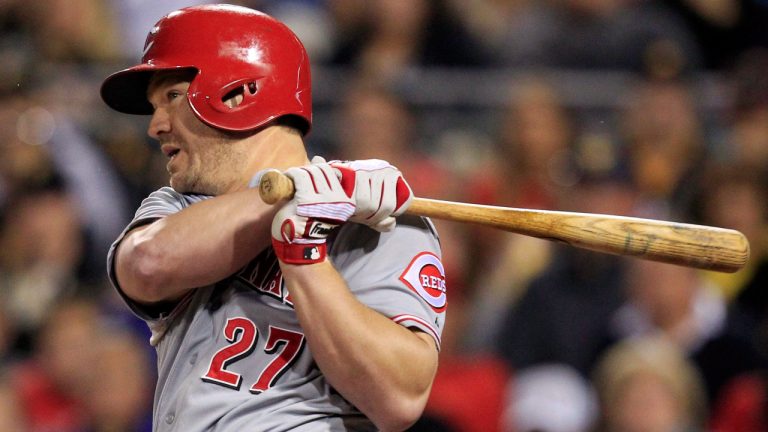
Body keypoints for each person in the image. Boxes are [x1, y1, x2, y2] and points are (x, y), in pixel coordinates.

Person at [99, 4, 445, 432]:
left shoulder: (377, 222)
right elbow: (145, 266)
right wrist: (290, 196)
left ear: (239, 93)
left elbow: (399, 398)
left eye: (171, 97)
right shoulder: (178, 205)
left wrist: (304, 257)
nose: (155, 126)